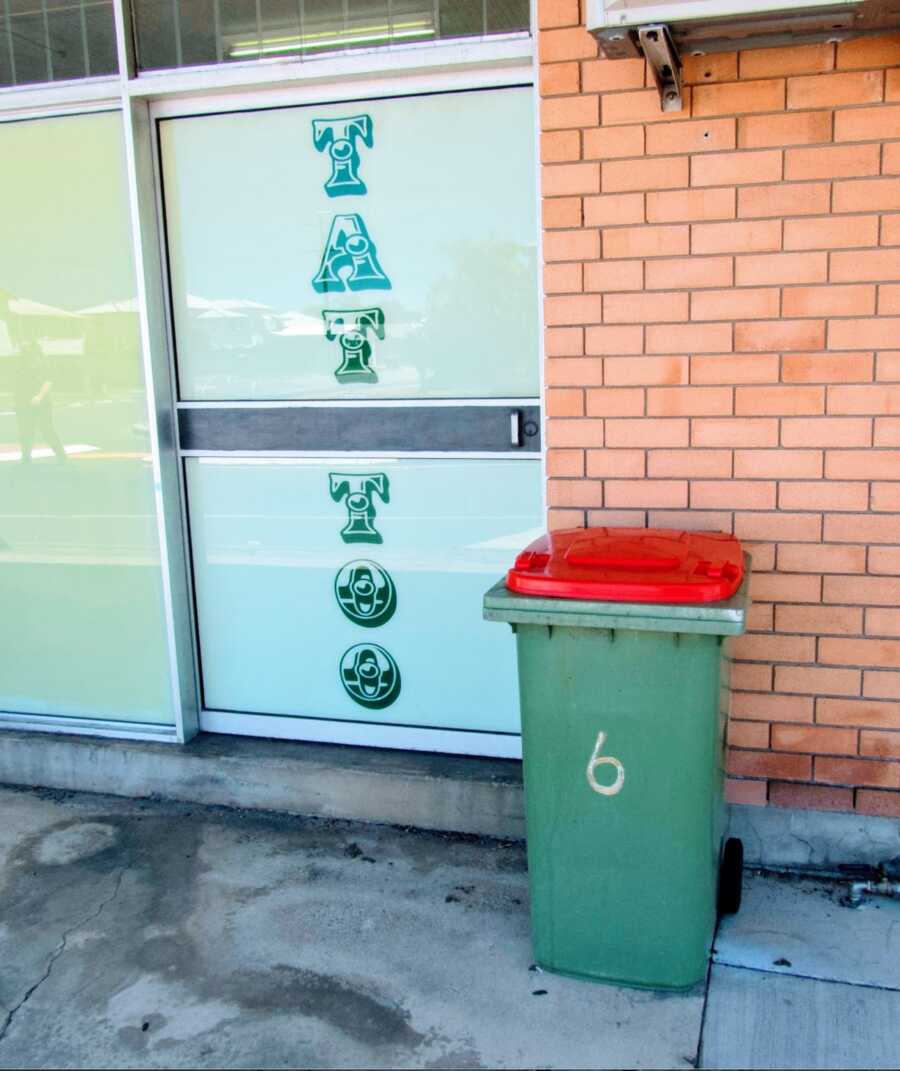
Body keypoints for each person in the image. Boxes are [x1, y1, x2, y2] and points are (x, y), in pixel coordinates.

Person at [13, 341, 66, 464]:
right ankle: (25, 457)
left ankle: (61, 455)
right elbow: (17, 384)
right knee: (25, 431)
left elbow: (48, 381)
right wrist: (16, 402)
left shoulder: (42, 364)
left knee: (47, 429)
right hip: (22, 402)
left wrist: (39, 396)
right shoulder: (20, 365)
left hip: (41, 403)